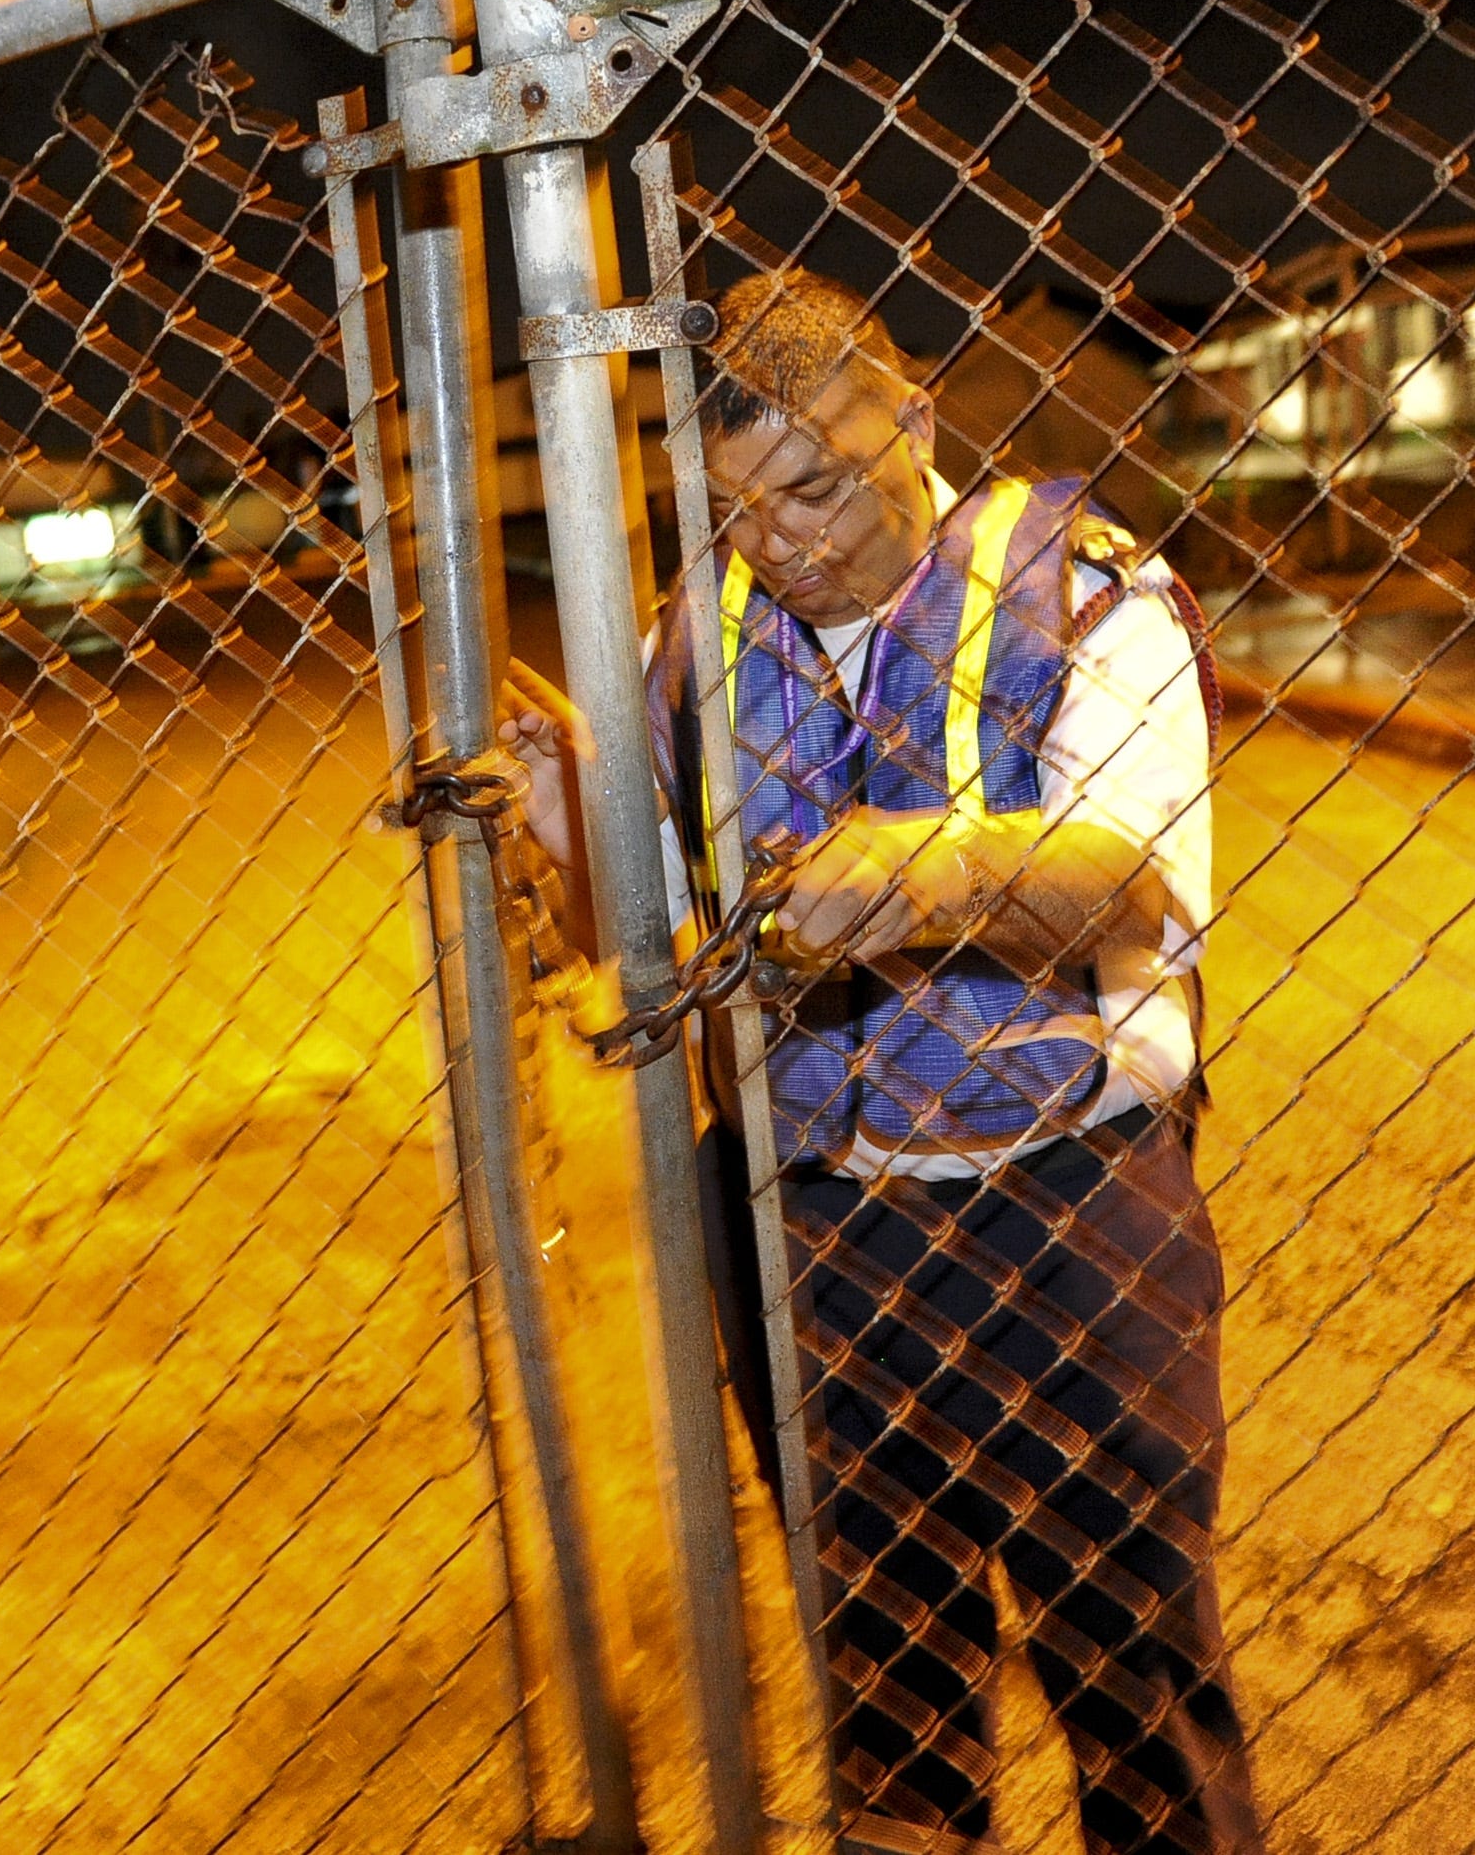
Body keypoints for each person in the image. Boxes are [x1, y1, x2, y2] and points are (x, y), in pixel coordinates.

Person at [500, 270, 1261, 1854]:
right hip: (817, 1230)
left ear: (913, 421)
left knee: (1131, 1665)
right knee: (889, 1678)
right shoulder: (694, 633)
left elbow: (1130, 868)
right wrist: (574, 822)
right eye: (733, 504)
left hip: (1063, 1214)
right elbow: (632, 938)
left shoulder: (1092, 592)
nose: (781, 537)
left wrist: (914, 875)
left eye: (818, 484)